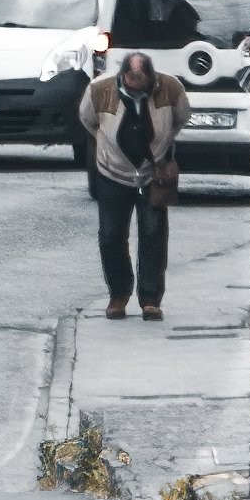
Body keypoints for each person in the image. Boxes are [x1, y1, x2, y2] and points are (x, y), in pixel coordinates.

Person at [80, 40, 180, 317]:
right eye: (132, 83)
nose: (138, 89)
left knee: (153, 234)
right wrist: (108, 147)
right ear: (123, 76)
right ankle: (118, 295)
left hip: (152, 174)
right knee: (111, 235)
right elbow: (88, 121)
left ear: (151, 78)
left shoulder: (169, 87)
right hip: (112, 173)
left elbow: (180, 118)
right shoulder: (100, 90)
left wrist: (161, 149)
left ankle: (150, 299)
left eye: (143, 85)